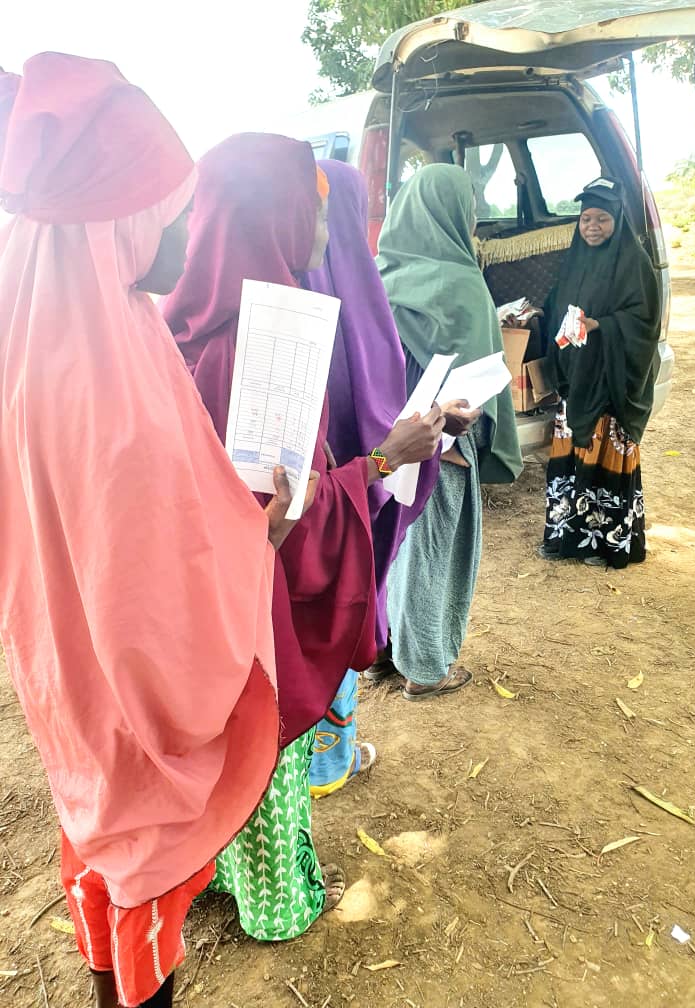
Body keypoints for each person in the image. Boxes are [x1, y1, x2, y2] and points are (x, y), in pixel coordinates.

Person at [0, 55, 292, 1008]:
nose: (187, 231)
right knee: (142, 871)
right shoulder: (112, 393)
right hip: (130, 698)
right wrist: (261, 536)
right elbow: (158, 595)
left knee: (95, 840)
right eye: (174, 208)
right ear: (116, 219)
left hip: (66, 684)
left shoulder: (52, 331)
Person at [162, 133, 443, 939]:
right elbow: (288, 523)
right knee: (263, 742)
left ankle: (210, 873)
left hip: (191, 603)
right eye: (314, 211)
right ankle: (278, 903)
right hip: (254, 608)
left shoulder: (179, 326)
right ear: (274, 216)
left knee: (215, 742)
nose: (325, 232)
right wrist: (388, 459)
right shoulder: (267, 345)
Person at [304, 160, 441, 796]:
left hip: (319, 506)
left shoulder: (270, 295)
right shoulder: (356, 297)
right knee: (336, 608)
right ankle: (328, 762)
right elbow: (381, 419)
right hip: (347, 500)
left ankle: (308, 765)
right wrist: (398, 454)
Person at [376, 164, 523, 700]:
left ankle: (383, 651)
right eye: (471, 210)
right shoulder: (462, 285)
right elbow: (481, 382)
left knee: (390, 545)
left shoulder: (377, 277)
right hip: (444, 443)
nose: (475, 222)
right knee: (433, 552)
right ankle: (425, 668)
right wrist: (467, 442)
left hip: (387, 442)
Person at [538, 176, 660, 569]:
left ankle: (607, 542)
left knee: (604, 449)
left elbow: (644, 322)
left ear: (617, 220)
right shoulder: (576, 259)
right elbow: (559, 303)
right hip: (577, 378)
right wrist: (539, 314)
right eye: (586, 219)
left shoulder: (634, 263)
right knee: (571, 453)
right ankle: (565, 535)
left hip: (610, 380)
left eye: (602, 219)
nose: (592, 227)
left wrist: (602, 326)